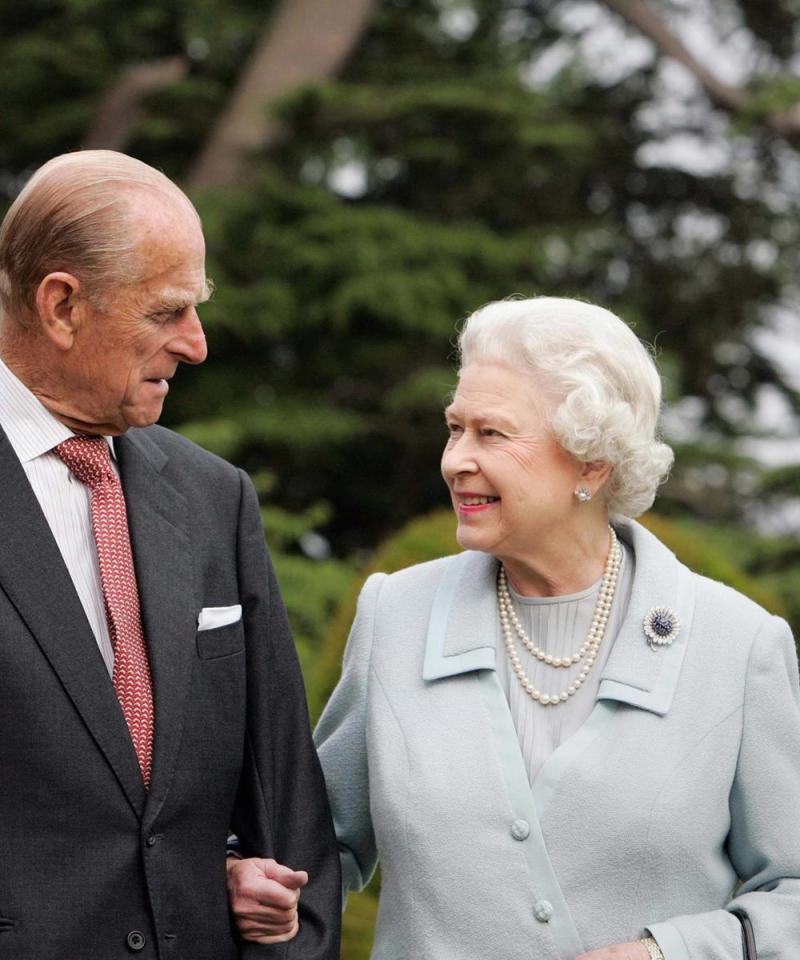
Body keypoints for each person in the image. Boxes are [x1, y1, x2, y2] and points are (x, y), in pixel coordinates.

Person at [0, 150, 340, 960]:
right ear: (63, 305)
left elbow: (291, 823)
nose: (197, 344)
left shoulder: (218, 501)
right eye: (167, 311)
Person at [229, 297, 800, 959]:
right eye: (454, 428)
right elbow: (313, 843)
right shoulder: (397, 615)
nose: (454, 460)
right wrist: (254, 875)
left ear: (592, 462)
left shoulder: (738, 645)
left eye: (492, 434)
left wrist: (664, 953)